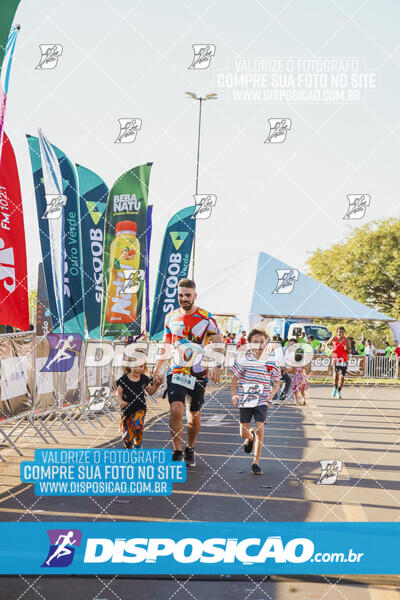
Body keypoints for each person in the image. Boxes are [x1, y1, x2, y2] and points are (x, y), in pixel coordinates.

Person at [153, 279, 223, 466]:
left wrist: (217, 365)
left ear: (195, 296)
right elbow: (166, 344)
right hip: (177, 370)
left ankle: (190, 447)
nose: (183, 299)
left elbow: (218, 343)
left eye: (187, 295)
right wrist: (158, 367)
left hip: (198, 373)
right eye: (180, 295)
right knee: (176, 408)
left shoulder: (207, 317)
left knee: (194, 414)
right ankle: (177, 450)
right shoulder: (170, 317)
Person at [231, 329, 281, 475]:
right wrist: (234, 395)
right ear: (249, 344)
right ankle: (250, 436)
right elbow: (234, 379)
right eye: (255, 342)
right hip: (246, 399)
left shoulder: (271, 361)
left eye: (262, 342)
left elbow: (277, 382)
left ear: (266, 343)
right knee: (243, 433)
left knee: (261, 429)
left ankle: (256, 463)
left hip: (262, 400)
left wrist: (270, 395)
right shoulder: (244, 360)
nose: (259, 345)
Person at [116, 353, 160, 449]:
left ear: (144, 367)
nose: (138, 369)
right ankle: (129, 452)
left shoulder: (144, 379)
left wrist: (156, 385)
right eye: (135, 366)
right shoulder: (124, 379)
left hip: (140, 408)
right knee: (127, 437)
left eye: (140, 366)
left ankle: (137, 447)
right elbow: (117, 393)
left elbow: (150, 392)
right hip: (127, 410)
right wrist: (120, 402)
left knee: (138, 427)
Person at [326, 326, 351, 399]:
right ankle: (335, 387)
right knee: (336, 375)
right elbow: (326, 344)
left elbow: (349, 351)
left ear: (344, 333)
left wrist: (347, 349)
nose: (340, 333)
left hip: (344, 360)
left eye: (342, 332)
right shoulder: (334, 338)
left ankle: (339, 392)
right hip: (336, 359)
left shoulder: (347, 340)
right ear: (337, 332)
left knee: (342, 377)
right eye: (339, 332)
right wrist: (330, 350)